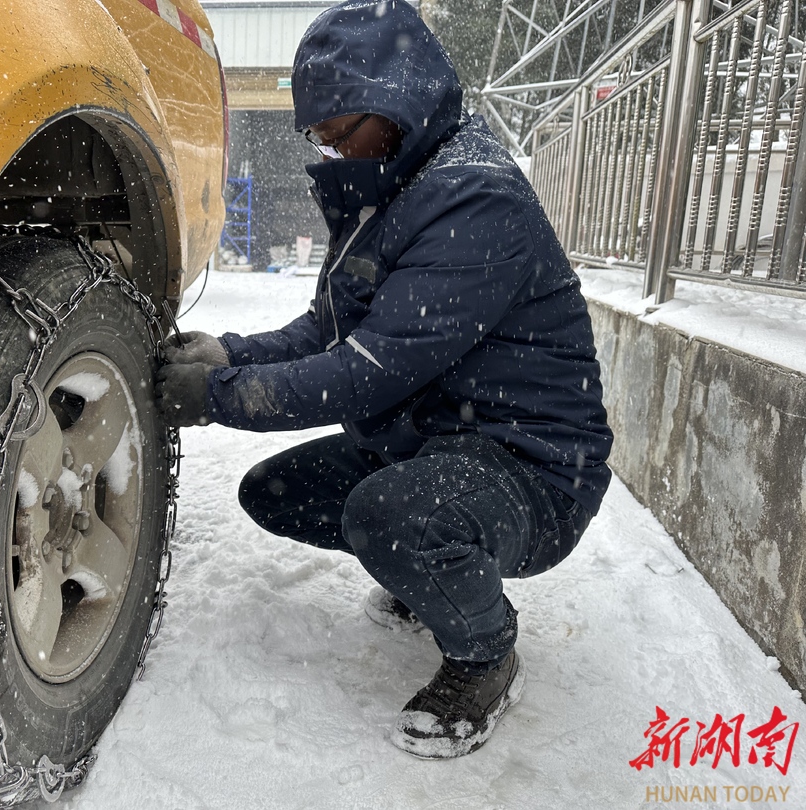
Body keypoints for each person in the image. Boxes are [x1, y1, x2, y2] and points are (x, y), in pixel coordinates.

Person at [155, 0, 613, 759]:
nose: (335, 152)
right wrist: (228, 354)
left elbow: (368, 371)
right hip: (438, 443)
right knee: (274, 494)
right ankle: (427, 567)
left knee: (395, 516)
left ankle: (484, 653)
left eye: (344, 130)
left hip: (531, 467)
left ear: (398, 94)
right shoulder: (394, 192)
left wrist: (218, 399)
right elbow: (323, 332)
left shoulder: (474, 198)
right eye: (321, 138)